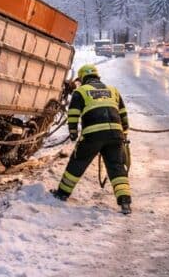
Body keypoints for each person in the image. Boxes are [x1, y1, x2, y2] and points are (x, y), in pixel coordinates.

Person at [51, 64, 132, 214]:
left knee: (78, 162)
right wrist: (124, 133)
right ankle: (125, 202)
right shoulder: (113, 90)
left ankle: (62, 194)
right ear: (97, 76)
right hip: (115, 135)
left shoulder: (80, 91)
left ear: (82, 78)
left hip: (92, 135)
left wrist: (73, 131)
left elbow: (74, 112)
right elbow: (123, 113)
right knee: (117, 167)